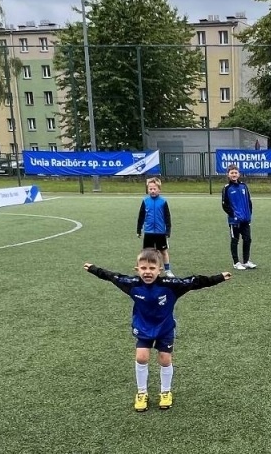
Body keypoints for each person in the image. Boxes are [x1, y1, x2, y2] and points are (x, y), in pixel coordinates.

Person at [84, 250, 230, 411]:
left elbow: (195, 281)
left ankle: (165, 392)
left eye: (152, 268)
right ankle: (142, 393)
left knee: (165, 359)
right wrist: (93, 269)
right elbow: (111, 276)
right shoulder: (131, 283)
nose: (147, 272)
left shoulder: (170, 285)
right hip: (143, 327)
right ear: (137, 269)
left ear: (159, 270)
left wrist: (219, 277)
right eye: (144, 268)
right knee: (141, 357)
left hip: (165, 328)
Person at [220, 165, 255, 270]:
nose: (234, 175)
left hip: (245, 219)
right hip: (234, 220)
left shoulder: (244, 186)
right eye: (232, 173)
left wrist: (249, 214)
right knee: (235, 240)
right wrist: (233, 215)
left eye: (236, 173)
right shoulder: (227, 188)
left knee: (247, 239)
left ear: (239, 174)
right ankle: (236, 262)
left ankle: (246, 261)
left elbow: (249, 201)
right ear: (228, 175)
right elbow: (224, 205)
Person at [136, 176, 173, 274]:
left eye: (154, 189)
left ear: (159, 189)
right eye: (150, 189)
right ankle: (147, 269)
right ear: (147, 189)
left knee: (163, 252)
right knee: (147, 253)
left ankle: (168, 270)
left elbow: (167, 217)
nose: (152, 191)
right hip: (148, 232)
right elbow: (141, 216)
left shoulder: (163, 201)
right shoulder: (145, 201)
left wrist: (168, 230)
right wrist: (139, 230)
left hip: (160, 232)